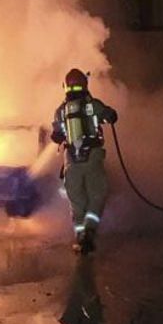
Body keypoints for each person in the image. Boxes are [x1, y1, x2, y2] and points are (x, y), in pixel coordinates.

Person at [51, 68, 117, 253]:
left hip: (71, 162)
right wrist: (109, 116)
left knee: (76, 203)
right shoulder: (92, 105)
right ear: (85, 84)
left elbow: (56, 136)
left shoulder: (61, 111)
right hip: (93, 158)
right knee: (98, 195)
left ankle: (80, 237)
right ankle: (89, 230)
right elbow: (110, 115)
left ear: (65, 86)